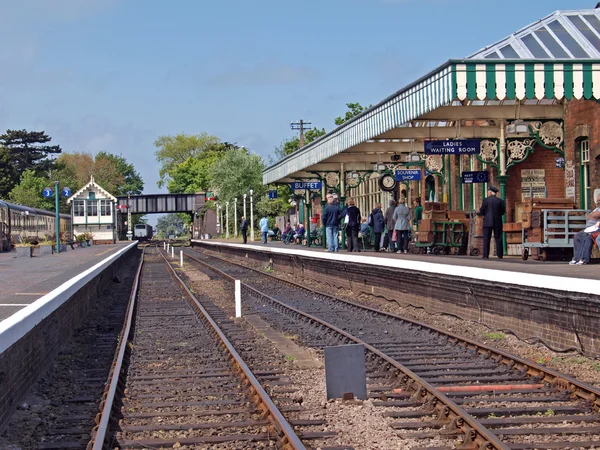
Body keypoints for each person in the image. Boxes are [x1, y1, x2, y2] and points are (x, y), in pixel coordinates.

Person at [570, 192, 600, 265]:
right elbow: (589, 216)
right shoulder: (597, 209)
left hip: (597, 228)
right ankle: (576, 258)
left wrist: (593, 215)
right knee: (577, 236)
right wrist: (593, 215)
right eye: (598, 200)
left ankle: (583, 259)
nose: (598, 202)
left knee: (587, 236)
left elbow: (594, 216)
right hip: (590, 228)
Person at [477, 185, 506, 259]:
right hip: (497, 222)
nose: (487, 193)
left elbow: (482, 211)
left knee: (486, 238)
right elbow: (503, 212)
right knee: (498, 238)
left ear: (490, 192)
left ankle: (486, 255)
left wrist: (485, 214)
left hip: (487, 222)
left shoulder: (485, 200)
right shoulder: (500, 201)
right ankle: (500, 255)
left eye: (488, 192)